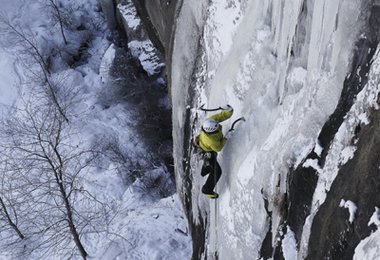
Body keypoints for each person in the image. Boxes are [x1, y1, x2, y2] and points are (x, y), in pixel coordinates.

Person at [194, 105, 234, 198]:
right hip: (208, 152)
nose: (219, 126)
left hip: (203, 147)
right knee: (217, 171)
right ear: (212, 131)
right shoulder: (211, 140)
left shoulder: (209, 123)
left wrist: (229, 111)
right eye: (217, 128)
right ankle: (207, 189)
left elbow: (220, 116)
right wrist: (226, 138)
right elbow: (218, 148)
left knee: (210, 164)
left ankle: (205, 170)